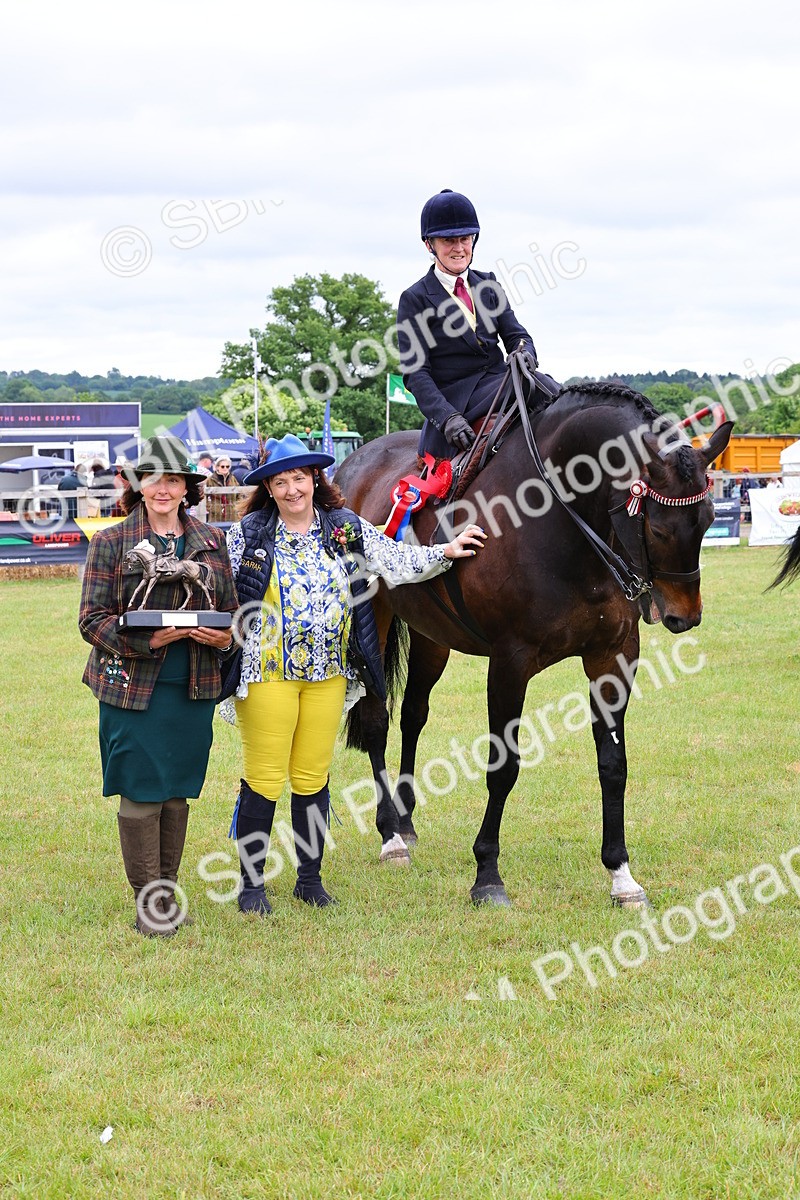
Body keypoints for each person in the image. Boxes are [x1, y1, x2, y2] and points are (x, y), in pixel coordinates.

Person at [225, 433, 486, 913]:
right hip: (267, 673)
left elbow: (396, 560)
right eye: (280, 482)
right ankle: (252, 885)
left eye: (299, 478)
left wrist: (444, 553)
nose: (291, 490)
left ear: (314, 479)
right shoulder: (248, 534)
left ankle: (309, 879)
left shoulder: (344, 527)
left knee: (312, 775)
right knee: (263, 777)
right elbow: (215, 574)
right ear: (268, 488)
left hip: (328, 674)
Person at [78, 434, 238, 938]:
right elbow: (92, 621)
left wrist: (223, 634)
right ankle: (149, 902)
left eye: (172, 480)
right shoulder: (110, 542)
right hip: (131, 687)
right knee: (142, 792)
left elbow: (232, 613)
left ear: (187, 487)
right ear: (138, 485)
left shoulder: (212, 542)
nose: (163, 489)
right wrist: (149, 641)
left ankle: (166, 893)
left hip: (192, 687)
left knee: (175, 794)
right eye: (154, 479)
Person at [397, 188, 557, 460]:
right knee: (540, 385)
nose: (459, 248)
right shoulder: (416, 298)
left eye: (465, 239)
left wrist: (524, 355)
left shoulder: (488, 285)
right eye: (448, 241)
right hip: (458, 399)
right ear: (429, 245)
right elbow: (416, 374)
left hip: (499, 384)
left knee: (552, 392)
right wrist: (447, 418)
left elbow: (517, 336)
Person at [204, 455, 236, 522]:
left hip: (231, 514)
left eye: (227, 466)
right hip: (215, 515)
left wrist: (236, 507)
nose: (225, 468)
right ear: (217, 467)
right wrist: (210, 507)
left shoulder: (233, 479)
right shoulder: (210, 479)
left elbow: (239, 494)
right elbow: (204, 495)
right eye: (222, 466)